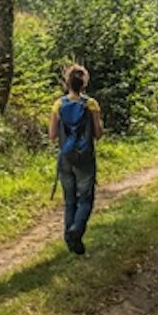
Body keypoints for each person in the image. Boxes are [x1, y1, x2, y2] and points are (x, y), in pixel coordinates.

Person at [49, 64, 103, 255]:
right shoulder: (91, 104)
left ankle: (70, 241)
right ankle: (76, 230)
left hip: (65, 157)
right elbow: (98, 133)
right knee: (86, 199)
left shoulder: (59, 104)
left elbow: (52, 134)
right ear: (84, 82)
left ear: (67, 82)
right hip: (85, 158)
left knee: (69, 200)